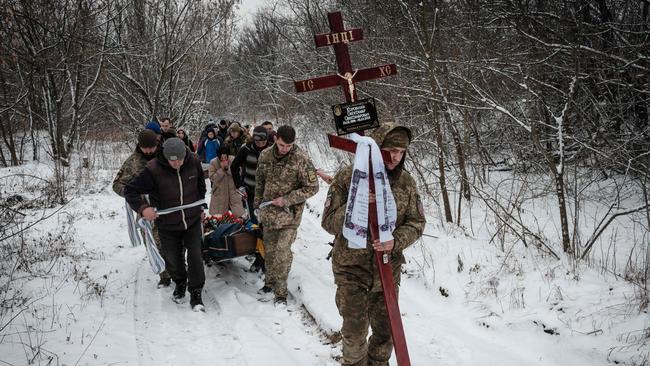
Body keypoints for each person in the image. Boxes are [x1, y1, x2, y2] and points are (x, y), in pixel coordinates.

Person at [320, 123, 426, 366]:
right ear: (376, 149)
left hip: (387, 271)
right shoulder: (349, 177)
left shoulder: (406, 183)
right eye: (389, 150)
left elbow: (417, 222)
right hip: (351, 269)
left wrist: (395, 240)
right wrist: (355, 204)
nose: (395, 157)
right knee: (354, 333)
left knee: (385, 332)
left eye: (401, 151)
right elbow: (327, 221)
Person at [124, 138, 207, 311]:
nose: (176, 163)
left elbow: (201, 186)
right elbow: (130, 190)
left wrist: (200, 206)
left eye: (179, 159)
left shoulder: (194, 162)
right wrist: (143, 208)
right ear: (165, 157)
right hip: (167, 224)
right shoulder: (153, 169)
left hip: (191, 221)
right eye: (172, 160)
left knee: (195, 257)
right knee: (173, 259)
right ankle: (180, 283)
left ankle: (196, 292)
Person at [254, 125, 319, 304]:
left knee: (282, 252)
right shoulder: (265, 155)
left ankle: (281, 293)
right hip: (268, 213)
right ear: (276, 139)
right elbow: (259, 182)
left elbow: (313, 187)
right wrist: (257, 206)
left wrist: (288, 199)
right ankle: (269, 283)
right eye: (282, 145)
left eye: (288, 146)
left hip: (289, 215)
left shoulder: (301, 159)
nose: (285, 149)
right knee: (270, 250)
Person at [112, 129, 172, 288]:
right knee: (153, 243)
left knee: (173, 241)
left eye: (151, 147)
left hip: (168, 206)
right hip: (145, 209)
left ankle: (178, 269)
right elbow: (117, 184)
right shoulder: (132, 162)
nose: (149, 151)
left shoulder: (165, 156)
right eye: (145, 148)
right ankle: (164, 275)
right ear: (139, 145)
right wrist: (133, 195)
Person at [231, 126, 269, 220]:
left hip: (268, 191)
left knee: (267, 219)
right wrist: (239, 185)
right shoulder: (246, 148)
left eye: (263, 142)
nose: (260, 145)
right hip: (250, 190)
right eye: (257, 142)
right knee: (254, 218)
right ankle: (255, 233)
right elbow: (234, 167)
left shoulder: (272, 150)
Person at [208, 147, 246, 217]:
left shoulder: (233, 160)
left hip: (233, 192)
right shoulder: (213, 162)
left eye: (225, 157)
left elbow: (239, 173)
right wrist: (221, 170)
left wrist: (228, 169)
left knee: (239, 216)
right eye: (221, 158)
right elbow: (212, 178)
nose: (224, 159)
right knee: (220, 217)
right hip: (219, 193)